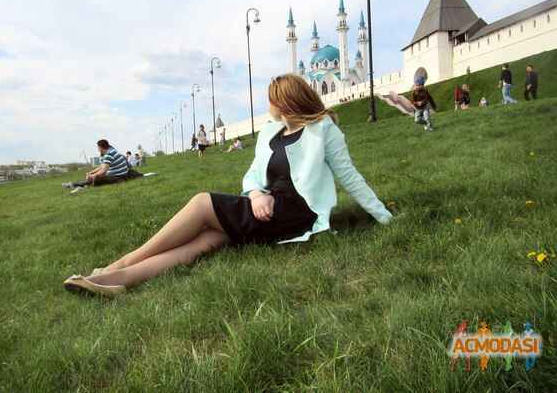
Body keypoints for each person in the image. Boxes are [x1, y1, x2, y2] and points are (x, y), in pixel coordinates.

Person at [63, 74, 393, 296]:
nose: (269, 106)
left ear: (285, 102)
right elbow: (252, 175)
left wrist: (385, 217)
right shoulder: (272, 132)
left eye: (271, 100)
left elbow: (351, 177)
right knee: (205, 241)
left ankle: (119, 265)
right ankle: (117, 281)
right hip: (266, 207)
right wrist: (256, 194)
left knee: (202, 202)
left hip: (295, 213)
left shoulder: (324, 130)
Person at [62, 140, 142, 193]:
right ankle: (75, 184)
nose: (98, 149)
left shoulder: (108, 155)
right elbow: (102, 166)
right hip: (122, 174)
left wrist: (93, 175)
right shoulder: (113, 150)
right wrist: (91, 172)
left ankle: (75, 185)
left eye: (98, 148)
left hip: (118, 177)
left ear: (101, 148)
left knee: (97, 178)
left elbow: (103, 170)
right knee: (94, 176)